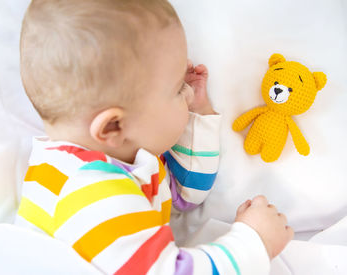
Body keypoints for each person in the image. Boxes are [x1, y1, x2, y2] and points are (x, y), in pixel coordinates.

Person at [15, 0, 294, 274]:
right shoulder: (92, 194)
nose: (187, 92)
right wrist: (255, 241)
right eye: (176, 89)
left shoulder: (115, 157)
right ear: (113, 126)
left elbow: (185, 195)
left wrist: (198, 118)